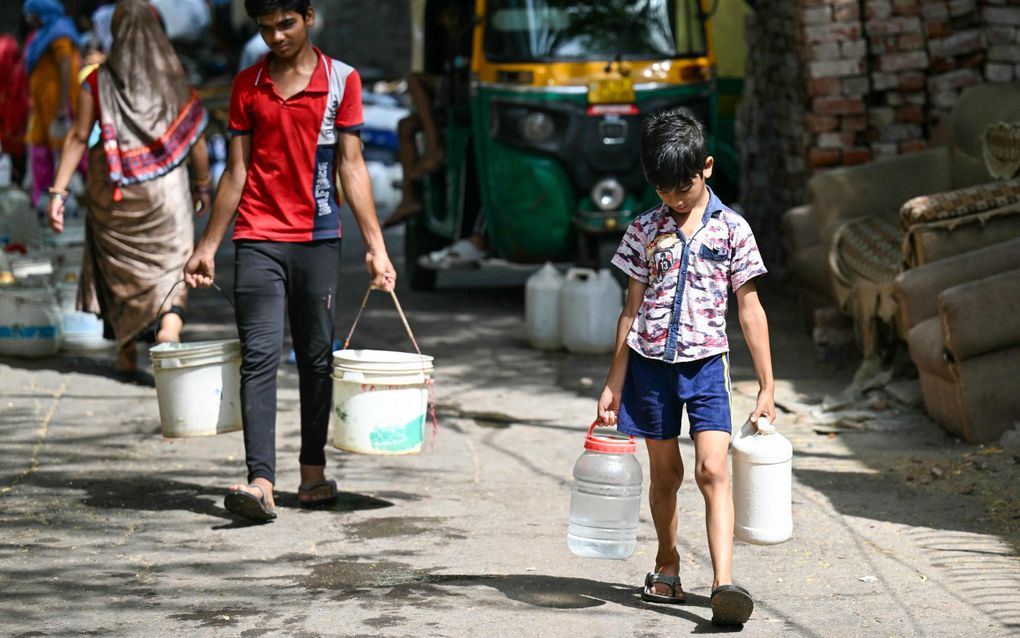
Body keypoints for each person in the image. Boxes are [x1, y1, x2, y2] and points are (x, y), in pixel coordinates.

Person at [184, 0, 396, 522]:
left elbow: (352, 165)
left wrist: (376, 245)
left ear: (308, 17)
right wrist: (208, 245)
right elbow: (235, 172)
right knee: (258, 357)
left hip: (319, 238)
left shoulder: (342, 80)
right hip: (256, 238)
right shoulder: (247, 85)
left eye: (286, 24)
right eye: (265, 28)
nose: (276, 37)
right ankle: (261, 482)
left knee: (316, 357)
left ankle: (312, 471)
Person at [597, 107, 775, 627]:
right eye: (663, 190)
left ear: (708, 168)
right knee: (666, 474)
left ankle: (724, 585)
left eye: (683, 186)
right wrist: (614, 381)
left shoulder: (733, 231)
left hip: (706, 369)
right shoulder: (643, 229)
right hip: (650, 368)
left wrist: (767, 385)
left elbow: (750, 309)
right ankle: (667, 564)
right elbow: (630, 310)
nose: (674, 199)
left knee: (712, 469)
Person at [47, 0, 211, 380]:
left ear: (115, 33)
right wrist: (202, 184)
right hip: (166, 193)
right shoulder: (175, 78)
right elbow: (195, 137)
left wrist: (58, 193)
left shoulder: (96, 80)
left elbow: (75, 137)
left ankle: (125, 353)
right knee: (170, 268)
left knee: (119, 271)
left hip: (114, 190)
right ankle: (169, 332)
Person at [383, 0, 471, 228]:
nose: (445, 22)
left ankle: (434, 149)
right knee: (406, 126)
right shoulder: (446, 42)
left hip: (468, 95)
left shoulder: (470, 37)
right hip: (447, 99)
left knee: (415, 80)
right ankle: (409, 198)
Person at [23, 0, 80, 209]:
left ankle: (65, 201)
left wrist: (63, 107)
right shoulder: (42, 35)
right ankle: (44, 199)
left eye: (31, 14)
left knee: (61, 153)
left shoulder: (59, 34)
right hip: (42, 108)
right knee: (40, 149)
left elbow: (66, 69)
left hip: (57, 107)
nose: (28, 19)